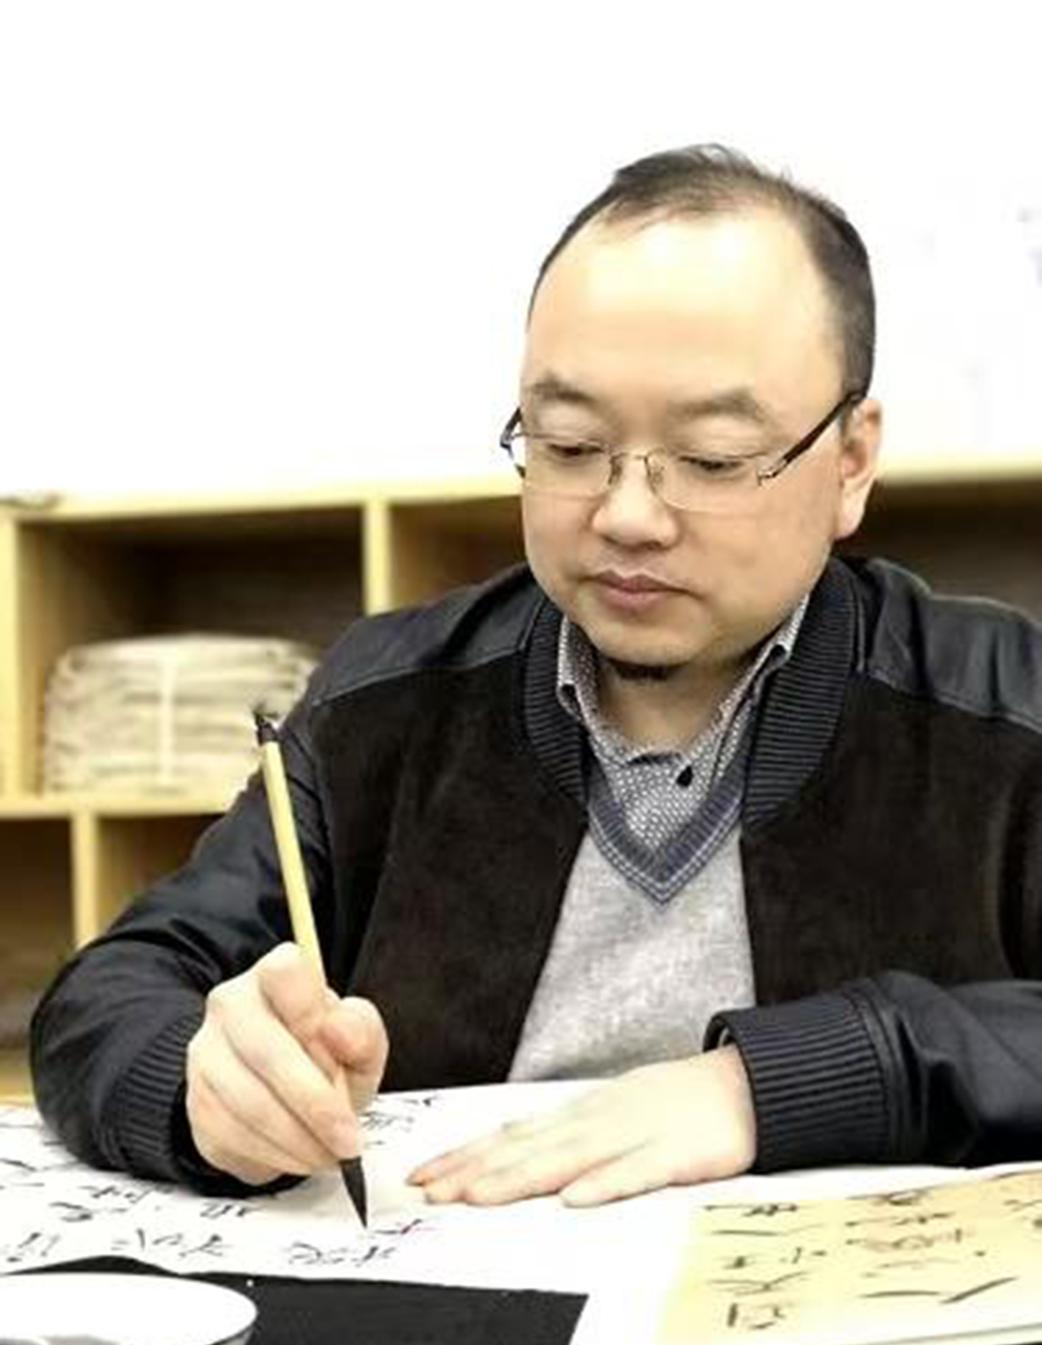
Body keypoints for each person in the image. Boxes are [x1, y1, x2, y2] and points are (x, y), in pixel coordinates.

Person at [31, 145, 1042, 1208]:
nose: (627, 516)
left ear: (850, 461)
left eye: (709, 458)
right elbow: (108, 992)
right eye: (567, 445)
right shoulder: (386, 706)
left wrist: (778, 1083)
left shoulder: (1001, 709)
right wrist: (198, 1082)